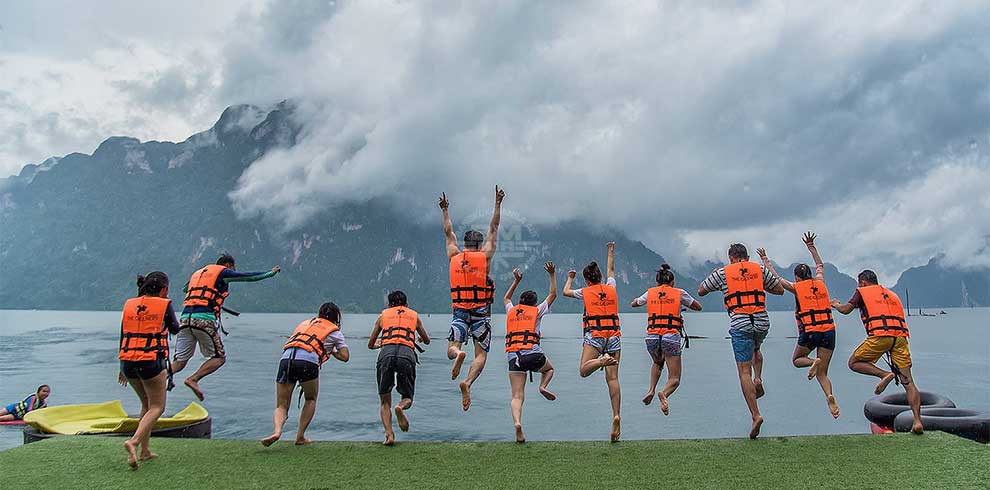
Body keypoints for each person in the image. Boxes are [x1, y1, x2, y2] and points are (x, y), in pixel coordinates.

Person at [698, 243, 784, 439]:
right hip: (762, 322)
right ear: (746, 256)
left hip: (740, 323)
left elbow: (701, 290)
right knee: (756, 348)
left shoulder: (722, 273)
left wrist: (718, 280)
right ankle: (759, 378)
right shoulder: (759, 269)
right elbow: (779, 290)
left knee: (743, 371)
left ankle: (755, 415)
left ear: (731, 258)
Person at [172, 254, 280, 401]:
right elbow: (248, 277)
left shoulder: (199, 273)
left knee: (179, 362)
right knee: (219, 358)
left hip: (185, 320)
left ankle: (157, 378)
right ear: (228, 265)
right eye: (233, 269)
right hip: (204, 321)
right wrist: (270, 273)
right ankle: (193, 379)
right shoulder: (223, 272)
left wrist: (209, 296)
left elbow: (185, 289)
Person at [757, 232, 841, 419]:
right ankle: (829, 396)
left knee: (797, 360)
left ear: (797, 277)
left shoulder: (796, 288)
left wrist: (765, 260)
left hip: (810, 332)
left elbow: (776, 278)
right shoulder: (820, 282)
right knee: (823, 373)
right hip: (829, 331)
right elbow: (820, 265)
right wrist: (811, 247)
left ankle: (813, 362)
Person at [831, 270, 924, 434]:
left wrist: (836, 304)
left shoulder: (862, 291)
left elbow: (846, 309)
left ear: (864, 282)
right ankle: (917, 421)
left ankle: (884, 375)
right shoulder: (891, 294)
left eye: (859, 283)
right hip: (900, 337)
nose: (859, 286)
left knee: (853, 363)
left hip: (881, 336)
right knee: (909, 382)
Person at [439, 186, 504, 411]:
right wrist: (497, 204)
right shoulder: (485, 257)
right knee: (481, 355)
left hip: (459, 311)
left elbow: (448, 233)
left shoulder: (453, 256)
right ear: (478, 245)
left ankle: (458, 353)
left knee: (451, 348)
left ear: (464, 244)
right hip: (480, 313)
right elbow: (494, 227)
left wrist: (445, 210)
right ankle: (467, 382)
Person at [261, 302, 350, 447]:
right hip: (307, 361)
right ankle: (300, 436)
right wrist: (331, 350)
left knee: (281, 405)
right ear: (336, 317)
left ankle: (277, 431)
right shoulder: (334, 332)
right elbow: (345, 356)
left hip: (286, 359)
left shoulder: (305, 323)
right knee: (311, 398)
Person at [118, 272, 180, 469]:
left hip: (127, 362)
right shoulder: (164, 304)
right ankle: (134, 442)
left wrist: (121, 368)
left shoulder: (129, 304)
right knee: (157, 407)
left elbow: (123, 335)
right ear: (164, 289)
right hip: (151, 362)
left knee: (146, 404)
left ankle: (145, 451)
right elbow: (175, 329)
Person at [563, 242, 622, 442]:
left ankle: (600, 361)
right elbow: (611, 269)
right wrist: (610, 250)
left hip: (595, 336)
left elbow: (565, 292)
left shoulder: (584, 292)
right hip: (613, 336)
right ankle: (616, 415)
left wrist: (570, 278)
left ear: (587, 279)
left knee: (583, 370)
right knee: (613, 379)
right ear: (600, 277)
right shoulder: (611, 286)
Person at [630, 264, 702, 416]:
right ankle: (664, 394)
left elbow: (634, 303)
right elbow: (698, 306)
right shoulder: (679, 292)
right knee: (674, 378)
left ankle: (651, 390)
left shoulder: (650, 293)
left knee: (657, 362)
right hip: (670, 336)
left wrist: (638, 299)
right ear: (673, 282)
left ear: (657, 282)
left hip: (652, 337)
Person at [503, 262, 558, 443]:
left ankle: (517, 423)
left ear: (520, 302)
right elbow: (552, 295)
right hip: (533, 354)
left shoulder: (511, 310)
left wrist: (516, 281)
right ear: (534, 303)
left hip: (514, 357)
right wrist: (551, 274)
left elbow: (506, 298)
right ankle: (543, 386)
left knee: (517, 396)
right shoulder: (537, 311)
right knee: (549, 369)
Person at [368, 291, 430, 446]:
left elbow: (370, 344)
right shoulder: (414, 316)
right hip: (406, 354)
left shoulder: (383, 316)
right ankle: (400, 407)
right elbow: (427, 340)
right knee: (407, 397)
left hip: (386, 354)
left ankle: (389, 435)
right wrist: (420, 338)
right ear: (406, 305)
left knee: (384, 400)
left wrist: (382, 344)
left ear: (389, 305)